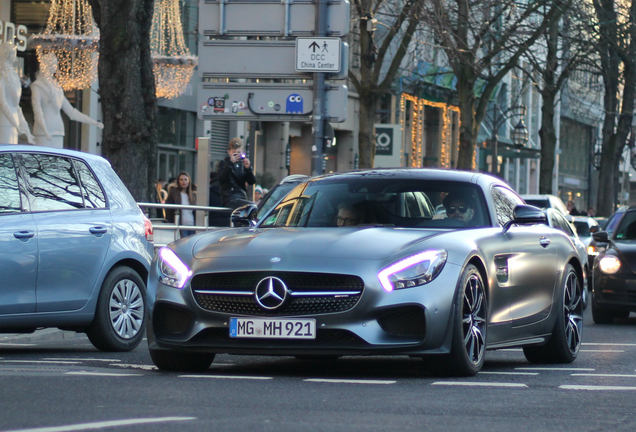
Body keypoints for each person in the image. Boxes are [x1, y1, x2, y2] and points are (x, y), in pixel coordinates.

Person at [31, 53, 104, 148]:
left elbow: (71, 112)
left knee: (57, 161)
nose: (55, 67)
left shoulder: (57, 87)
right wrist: (45, 131)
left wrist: (94, 122)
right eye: (53, 64)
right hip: (42, 133)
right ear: (47, 65)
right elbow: (38, 112)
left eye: (55, 64)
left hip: (58, 131)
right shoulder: (37, 86)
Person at [0, 42, 34, 144]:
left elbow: (17, 107)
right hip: (4, 123)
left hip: (14, 125)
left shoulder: (13, 75)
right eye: (13, 52)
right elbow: (3, 103)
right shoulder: (2, 76)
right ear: (7, 54)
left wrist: (27, 131)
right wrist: (16, 124)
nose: (15, 55)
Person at [218, 137, 256, 209]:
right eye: (234, 153)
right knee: (251, 206)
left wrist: (248, 169)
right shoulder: (224, 163)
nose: (236, 155)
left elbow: (252, 181)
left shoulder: (242, 165)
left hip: (241, 196)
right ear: (229, 152)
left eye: (238, 153)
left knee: (253, 207)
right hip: (230, 197)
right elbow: (221, 179)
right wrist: (230, 164)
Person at [165, 171, 196, 237]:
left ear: (189, 181)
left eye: (185, 179)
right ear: (178, 181)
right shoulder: (174, 194)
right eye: (181, 180)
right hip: (180, 225)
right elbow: (168, 209)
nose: (183, 182)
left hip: (192, 225)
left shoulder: (192, 195)